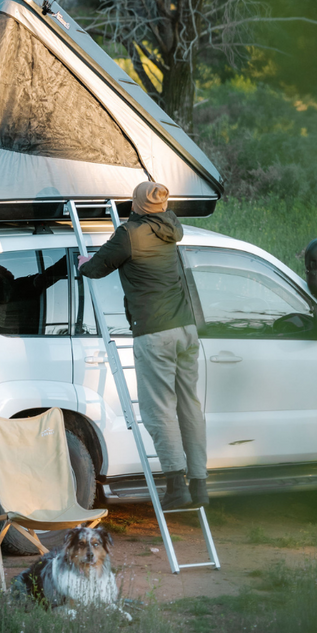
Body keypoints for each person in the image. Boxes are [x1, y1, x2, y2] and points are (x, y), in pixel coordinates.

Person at [77, 181, 208, 509]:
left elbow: (95, 269)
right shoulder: (172, 228)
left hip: (154, 332)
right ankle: (200, 485)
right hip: (186, 330)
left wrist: (82, 262)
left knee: (158, 408)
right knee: (189, 405)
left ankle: (176, 488)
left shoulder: (129, 234)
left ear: (136, 203)